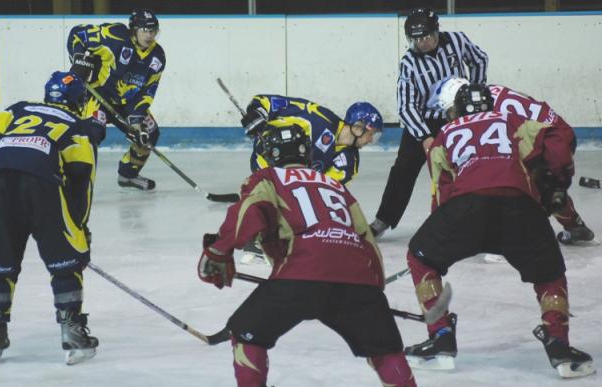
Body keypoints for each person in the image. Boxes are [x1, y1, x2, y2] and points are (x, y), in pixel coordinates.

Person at [197, 124, 416, 386]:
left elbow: (249, 213)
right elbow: (366, 239)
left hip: (299, 273)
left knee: (246, 333)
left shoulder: (268, 177)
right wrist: (373, 295)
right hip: (358, 280)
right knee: (385, 349)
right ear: (307, 155)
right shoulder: (336, 186)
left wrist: (219, 250)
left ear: (271, 155)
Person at [402, 82, 594, 378]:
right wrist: (556, 183)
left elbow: (441, 193)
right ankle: (559, 344)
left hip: (465, 209)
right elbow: (557, 135)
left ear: (455, 109)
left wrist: (438, 241)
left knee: (420, 257)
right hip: (519, 207)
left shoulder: (445, 134)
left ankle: (440, 336)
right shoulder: (511, 120)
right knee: (550, 274)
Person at [0, 71, 104, 365]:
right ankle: (71, 331)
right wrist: (78, 226)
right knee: (65, 261)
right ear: (79, 100)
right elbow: (81, 177)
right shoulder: (76, 125)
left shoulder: (18, 109)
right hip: (43, 186)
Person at [428, 77, 595, 245]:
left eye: (451, 111)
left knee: (517, 185)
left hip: (547, 140)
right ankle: (574, 225)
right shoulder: (490, 94)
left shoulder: (484, 115)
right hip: (555, 134)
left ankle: (513, 235)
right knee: (546, 188)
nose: (452, 118)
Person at [369, 7, 489, 237]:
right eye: (415, 39)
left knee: (466, 166)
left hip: (457, 118)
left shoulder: (456, 40)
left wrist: (474, 92)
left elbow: (479, 59)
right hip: (424, 122)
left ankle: (474, 218)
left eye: (425, 37)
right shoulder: (409, 62)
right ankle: (383, 219)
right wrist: (424, 137)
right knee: (403, 169)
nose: (421, 43)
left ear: (436, 31)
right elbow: (406, 105)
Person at [67, 8, 166, 190]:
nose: (150, 35)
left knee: (149, 134)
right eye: (145, 30)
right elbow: (78, 34)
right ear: (133, 29)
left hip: (128, 103)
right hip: (98, 96)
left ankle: (128, 175)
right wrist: (79, 62)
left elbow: (148, 91)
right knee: (91, 134)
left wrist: (136, 122)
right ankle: (73, 181)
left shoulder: (157, 56)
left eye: (153, 30)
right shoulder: (115, 36)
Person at [241, 95, 384, 185]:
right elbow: (265, 101)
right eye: (372, 134)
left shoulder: (349, 164)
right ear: (359, 127)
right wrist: (256, 114)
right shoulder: (317, 118)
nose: (371, 141)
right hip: (264, 169)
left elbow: (324, 191)